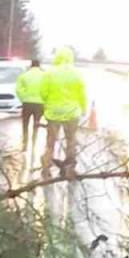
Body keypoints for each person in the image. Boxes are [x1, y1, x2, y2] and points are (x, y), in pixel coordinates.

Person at [40, 47, 87, 179]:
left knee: (50, 142)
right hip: (72, 113)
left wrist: (48, 103)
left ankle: (46, 169)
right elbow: (82, 94)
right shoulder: (77, 74)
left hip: (53, 113)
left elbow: (43, 93)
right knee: (71, 141)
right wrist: (83, 109)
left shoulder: (49, 73)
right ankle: (69, 169)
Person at [15, 59, 46, 153]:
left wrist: (23, 98)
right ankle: (34, 144)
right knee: (36, 124)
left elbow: (18, 89)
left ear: (31, 65)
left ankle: (25, 145)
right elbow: (48, 89)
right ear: (39, 65)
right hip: (40, 104)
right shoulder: (45, 76)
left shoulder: (24, 76)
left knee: (25, 124)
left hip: (27, 103)